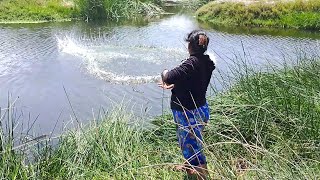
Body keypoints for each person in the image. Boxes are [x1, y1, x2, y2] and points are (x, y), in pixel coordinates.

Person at [158, 30, 215, 179]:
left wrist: (164, 72)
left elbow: (168, 77)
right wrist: (177, 85)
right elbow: (194, 82)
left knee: (192, 147)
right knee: (192, 142)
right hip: (201, 109)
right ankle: (188, 166)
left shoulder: (191, 62)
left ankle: (204, 177)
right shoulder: (206, 61)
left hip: (187, 113)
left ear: (190, 45)